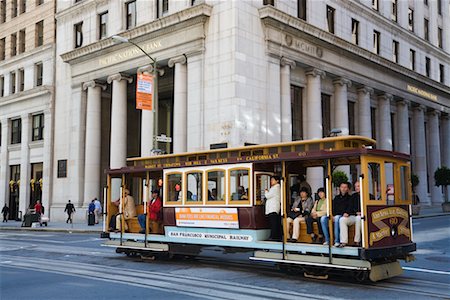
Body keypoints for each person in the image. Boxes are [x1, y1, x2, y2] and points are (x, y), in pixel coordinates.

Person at [320, 182, 351, 246]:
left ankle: (337, 241)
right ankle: (327, 240)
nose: (343, 189)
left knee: (337, 218)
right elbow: (333, 207)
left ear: (348, 189)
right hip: (334, 215)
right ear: (340, 188)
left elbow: (348, 209)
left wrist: (343, 214)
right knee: (323, 218)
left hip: (341, 215)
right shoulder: (336, 198)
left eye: (345, 187)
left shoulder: (350, 198)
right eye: (342, 187)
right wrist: (332, 215)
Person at [338, 181, 362, 247]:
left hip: (363, 217)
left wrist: (362, 213)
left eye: (358, 186)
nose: (356, 188)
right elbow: (350, 207)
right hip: (354, 216)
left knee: (358, 218)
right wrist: (347, 213)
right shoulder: (353, 196)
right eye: (355, 186)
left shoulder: (368, 196)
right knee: (342, 219)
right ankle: (343, 242)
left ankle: (357, 241)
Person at [265, 175, 282, 241]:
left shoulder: (276, 187)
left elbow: (267, 196)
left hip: (273, 207)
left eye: (272, 180)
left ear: (277, 181)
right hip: (272, 207)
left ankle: (273, 236)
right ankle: (276, 236)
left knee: (274, 223)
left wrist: (266, 191)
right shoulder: (275, 187)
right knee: (275, 222)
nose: (271, 181)